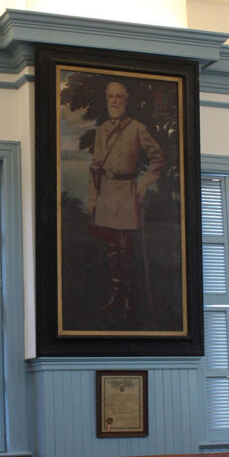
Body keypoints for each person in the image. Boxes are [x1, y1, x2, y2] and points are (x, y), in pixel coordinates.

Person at [87, 81, 165, 318]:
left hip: (128, 192)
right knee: (111, 250)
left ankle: (129, 298)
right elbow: (95, 167)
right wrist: (93, 198)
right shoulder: (101, 131)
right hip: (107, 193)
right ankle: (115, 295)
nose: (114, 101)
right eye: (110, 96)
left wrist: (143, 183)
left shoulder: (137, 128)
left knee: (126, 250)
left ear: (126, 100)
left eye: (119, 97)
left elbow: (158, 159)